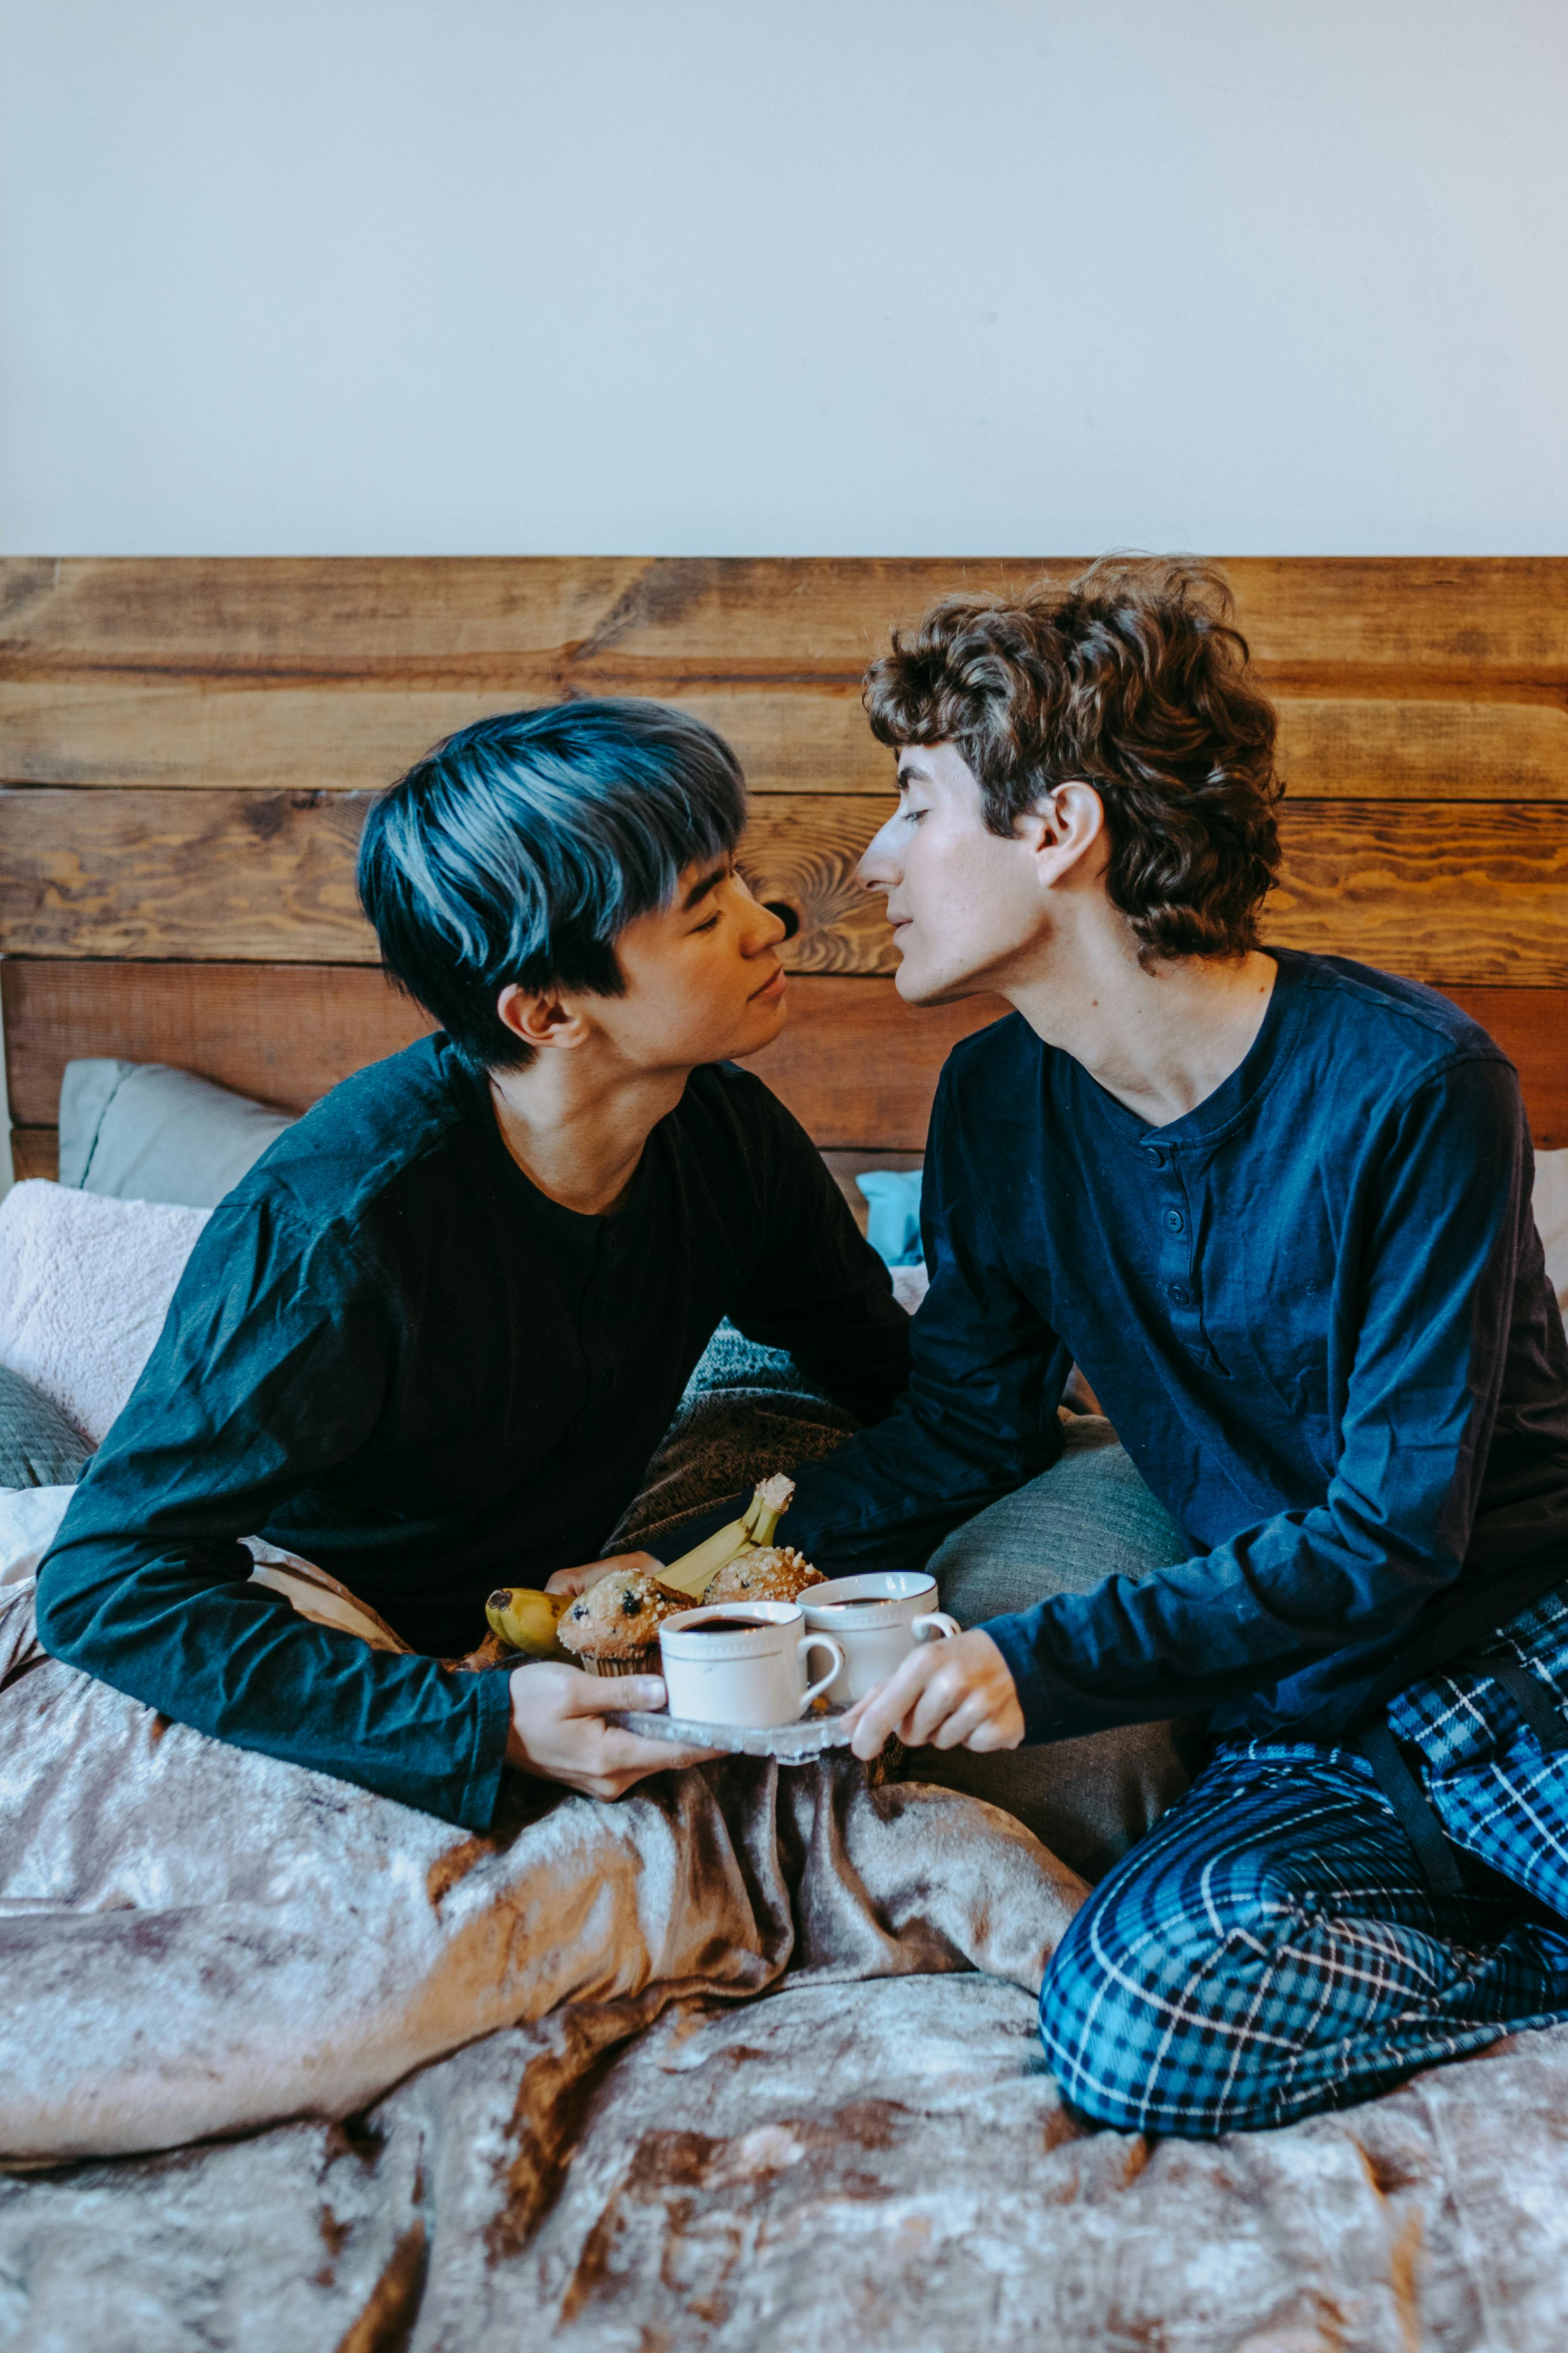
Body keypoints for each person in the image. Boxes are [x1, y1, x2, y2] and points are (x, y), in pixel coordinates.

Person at [776, 557, 1568, 2136]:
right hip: (1319, 1734)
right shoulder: (995, 1107)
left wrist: (1037, 1658)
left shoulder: (1414, 1084)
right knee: (1130, 2027)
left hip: (1528, 1658)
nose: (873, 858)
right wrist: (712, 1576)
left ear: (1058, 828)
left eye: (916, 801)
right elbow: (966, 1435)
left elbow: (1393, 1529)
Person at [36, 699, 908, 1828]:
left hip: (526, 1615)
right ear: (545, 1010)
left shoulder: (726, 1136)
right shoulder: (337, 1233)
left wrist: (698, 1566)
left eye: (739, 877)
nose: (770, 921)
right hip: (298, 1615)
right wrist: (475, 1722)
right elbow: (104, 1585)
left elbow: (901, 1386)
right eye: (705, 915)